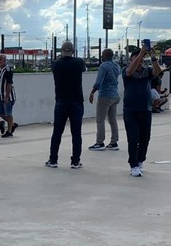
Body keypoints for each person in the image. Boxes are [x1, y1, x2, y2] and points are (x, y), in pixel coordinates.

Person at [45, 40, 86, 169]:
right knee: (76, 133)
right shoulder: (79, 63)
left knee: (57, 132)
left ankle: (53, 160)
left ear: (61, 51)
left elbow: (55, 65)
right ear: (73, 51)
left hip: (61, 101)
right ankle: (75, 161)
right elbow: (84, 68)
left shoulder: (56, 64)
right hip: (76, 101)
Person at [123, 46, 162, 177]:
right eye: (136, 60)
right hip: (130, 110)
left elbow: (157, 72)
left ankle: (140, 160)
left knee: (145, 138)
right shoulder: (126, 71)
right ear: (131, 60)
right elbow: (129, 71)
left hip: (145, 109)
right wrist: (140, 54)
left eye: (141, 60)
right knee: (133, 138)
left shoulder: (147, 71)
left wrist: (153, 57)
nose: (140, 62)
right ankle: (133, 164)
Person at [88, 47, 120, 150]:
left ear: (105, 56)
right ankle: (114, 142)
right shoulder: (116, 65)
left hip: (105, 95)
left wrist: (92, 92)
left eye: (102, 55)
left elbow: (98, 82)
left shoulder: (104, 66)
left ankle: (100, 142)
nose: (101, 56)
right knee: (113, 119)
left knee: (100, 120)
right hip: (115, 95)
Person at [0, 53, 18, 137]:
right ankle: (12, 124)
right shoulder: (0, 70)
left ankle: (9, 131)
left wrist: (7, 96)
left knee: (8, 113)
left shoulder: (8, 70)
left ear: (5, 60)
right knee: (0, 113)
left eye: (0, 59)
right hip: (0, 96)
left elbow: (9, 84)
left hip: (7, 97)